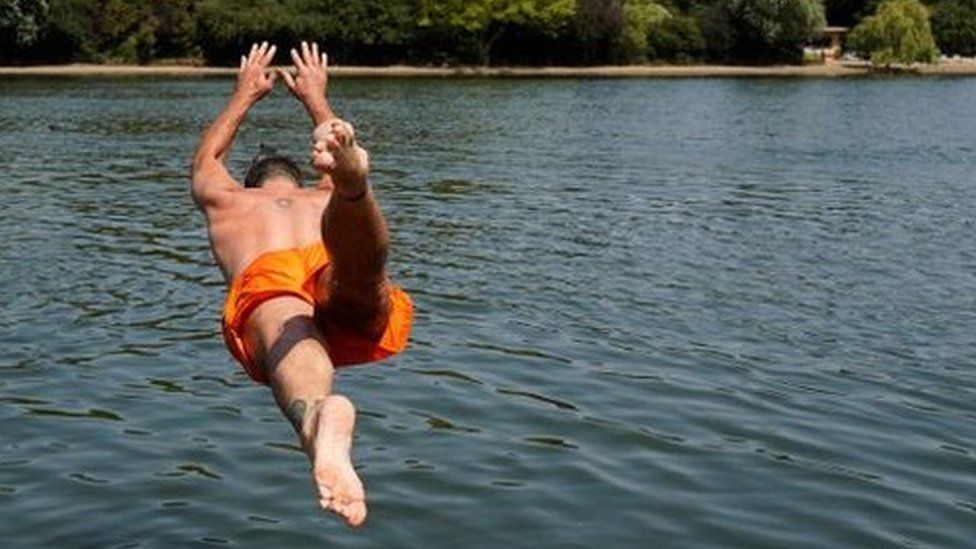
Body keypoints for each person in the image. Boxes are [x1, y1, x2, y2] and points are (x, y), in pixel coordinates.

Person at [191, 41, 413, 528]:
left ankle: (315, 418)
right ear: (302, 179)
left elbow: (207, 159)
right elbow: (332, 142)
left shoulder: (230, 202)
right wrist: (316, 98)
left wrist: (243, 94)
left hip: (269, 275)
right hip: (327, 258)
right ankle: (357, 191)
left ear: (250, 183)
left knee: (284, 326)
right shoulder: (319, 196)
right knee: (361, 277)